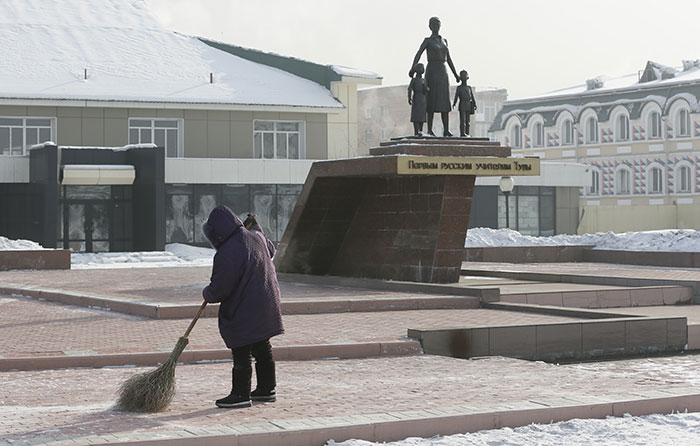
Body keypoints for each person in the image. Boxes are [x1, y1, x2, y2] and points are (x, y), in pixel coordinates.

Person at [201, 206, 284, 409]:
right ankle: (266, 389)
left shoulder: (227, 251)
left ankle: (240, 394)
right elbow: (270, 250)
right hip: (266, 301)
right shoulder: (255, 237)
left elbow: (220, 287)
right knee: (262, 346)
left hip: (244, 306)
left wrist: (208, 293)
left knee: (241, 349)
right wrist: (256, 228)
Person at [409, 16, 460, 137]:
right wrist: (412, 68)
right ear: (430, 26)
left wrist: (455, 74)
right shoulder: (427, 40)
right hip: (432, 71)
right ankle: (430, 129)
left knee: (444, 102)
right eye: (433, 24)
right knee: (431, 100)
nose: (436, 26)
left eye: (438, 24)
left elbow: (449, 59)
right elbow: (418, 53)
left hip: (443, 72)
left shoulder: (444, 41)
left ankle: (446, 130)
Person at [453, 70, 477, 137]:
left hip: (468, 104)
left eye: (465, 76)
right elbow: (456, 96)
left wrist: (474, 104)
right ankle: (462, 133)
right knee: (462, 120)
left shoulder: (469, 87)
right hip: (462, 104)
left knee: (468, 121)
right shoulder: (459, 88)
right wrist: (454, 103)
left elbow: (472, 96)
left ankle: (467, 133)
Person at [408, 63, 428, 136]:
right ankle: (416, 131)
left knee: (422, 116)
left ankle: (421, 131)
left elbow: (426, 90)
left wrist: (426, 89)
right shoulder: (414, 80)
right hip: (416, 98)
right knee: (416, 116)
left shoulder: (424, 80)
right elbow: (410, 89)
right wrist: (409, 98)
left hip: (423, 99)